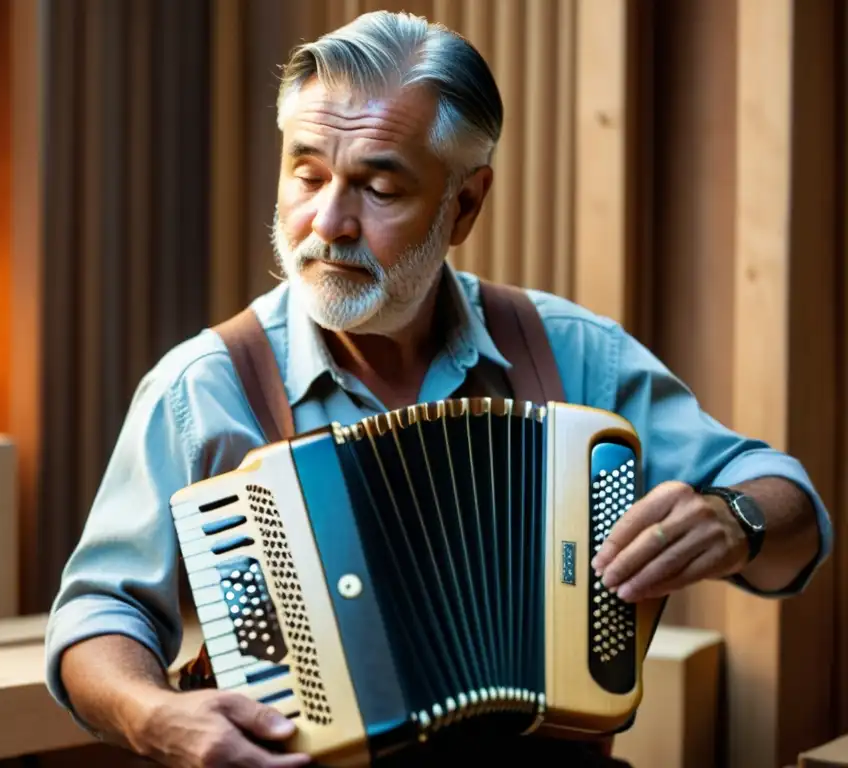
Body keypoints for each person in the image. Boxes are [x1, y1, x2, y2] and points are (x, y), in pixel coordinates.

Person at [44, 10, 831, 768]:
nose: (327, 223)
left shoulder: (571, 352)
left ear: (465, 205)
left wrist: (737, 520)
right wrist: (153, 716)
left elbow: (788, 505)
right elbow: (98, 614)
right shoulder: (205, 386)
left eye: (379, 190)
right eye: (306, 173)